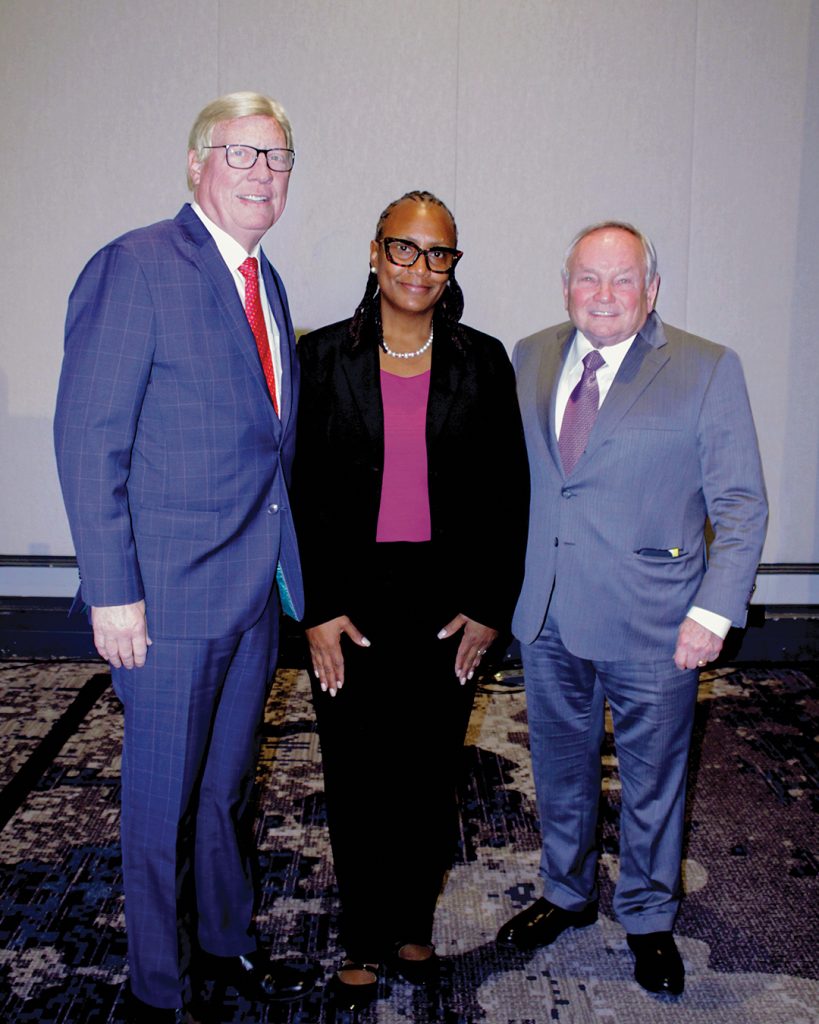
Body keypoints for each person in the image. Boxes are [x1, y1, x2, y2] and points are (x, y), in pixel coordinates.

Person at [54, 92, 318, 1021]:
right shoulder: (135, 267)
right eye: (241, 155)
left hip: (249, 594)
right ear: (196, 163)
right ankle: (158, 992)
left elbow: (264, 441)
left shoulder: (265, 279)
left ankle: (224, 945)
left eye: (277, 157)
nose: (262, 174)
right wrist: (113, 593)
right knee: (161, 803)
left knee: (226, 791)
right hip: (163, 601)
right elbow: (90, 441)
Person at [496, 222, 767, 997]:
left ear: (651, 289)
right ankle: (566, 894)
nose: (604, 296)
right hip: (547, 614)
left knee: (653, 780)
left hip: (657, 621)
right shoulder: (531, 355)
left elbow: (741, 504)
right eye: (588, 279)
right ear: (565, 285)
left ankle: (647, 918)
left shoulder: (707, 368)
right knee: (557, 769)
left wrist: (712, 615)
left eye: (622, 281)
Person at [293, 190, 529, 1007]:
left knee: (429, 772)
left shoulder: (481, 359)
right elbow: (297, 497)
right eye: (404, 249)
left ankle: (409, 922)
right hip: (349, 604)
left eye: (437, 254)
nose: (419, 268)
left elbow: (508, 493)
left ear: (451, 266)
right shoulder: (318, 358)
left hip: (443, 601)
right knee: (356, 772)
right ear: (373, 253)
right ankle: (361, 934)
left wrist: (489, 605)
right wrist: (314, 609)